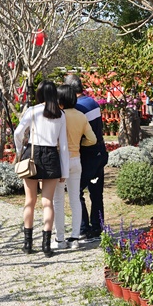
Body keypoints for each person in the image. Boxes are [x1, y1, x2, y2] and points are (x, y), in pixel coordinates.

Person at [13, 80, 70, 257]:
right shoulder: (60, 114)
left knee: (29, 201)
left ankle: (27, 244)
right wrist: (65, 171)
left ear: (39, 94)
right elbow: (64, 145)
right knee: (48, 202)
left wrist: (18, 150)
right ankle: (46, 246)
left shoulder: (33, 111)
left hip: (32, 153)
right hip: (52, 156)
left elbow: (17, 132)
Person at [52, 83, 97, 250]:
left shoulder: (58, 116)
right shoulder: (81, 116)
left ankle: (60, 239)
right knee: (75, 199)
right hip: (76, 159)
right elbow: (92, 139)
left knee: (58, 200)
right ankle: (75, 237)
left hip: (59, 160)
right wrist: (79, 143)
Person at [64, 74, 106, 240]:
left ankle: (83, 227)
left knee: (76, 191)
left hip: (86, 155)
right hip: (99, 153)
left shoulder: (78, 109)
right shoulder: (92, 102)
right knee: (96, 193)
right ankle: (98, 226)